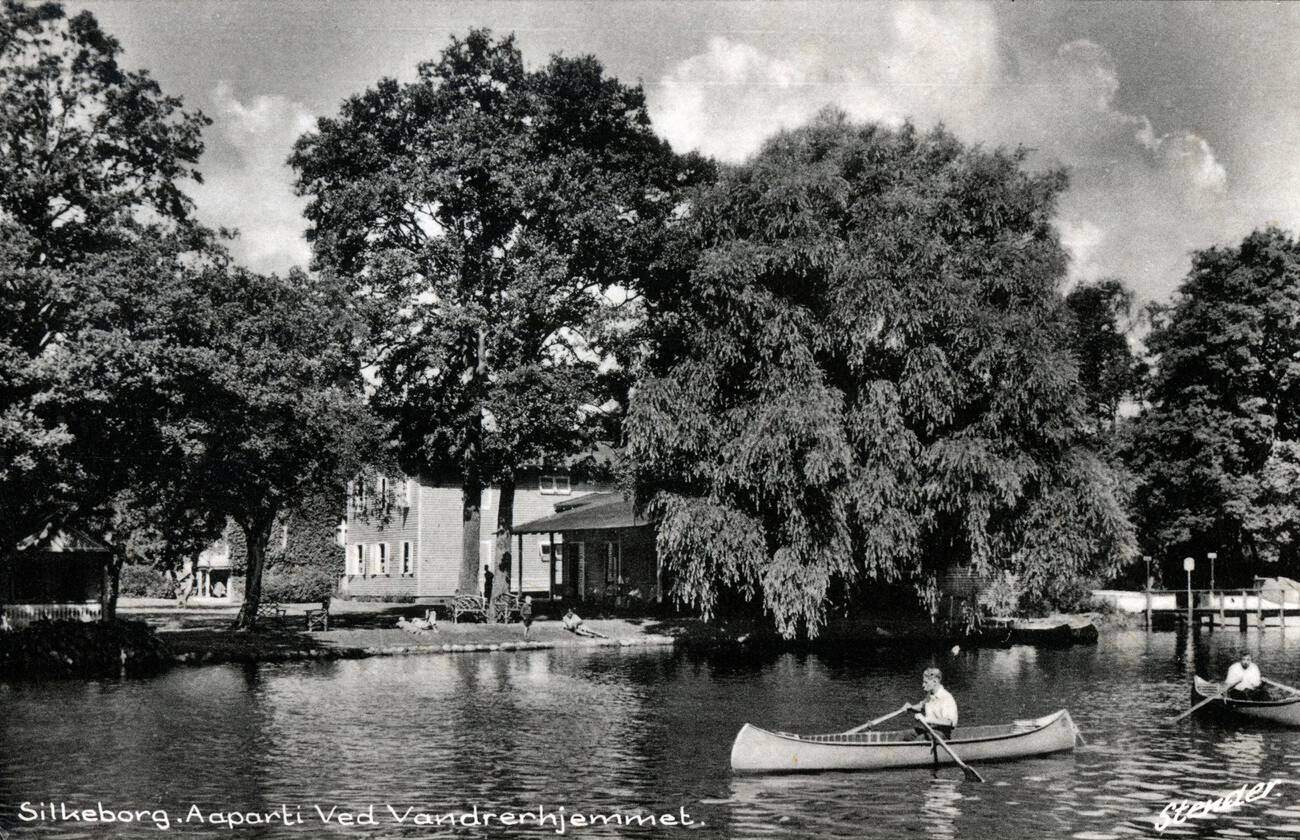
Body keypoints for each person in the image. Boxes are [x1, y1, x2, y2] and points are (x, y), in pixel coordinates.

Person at [906, 667, 959, 740]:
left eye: (926, 682)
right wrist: (910, 708)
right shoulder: (930, 695)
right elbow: (921, 707)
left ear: (935, 681)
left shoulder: (946, 698)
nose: (923, 685)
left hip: (942, 734)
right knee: (907, 735)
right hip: (930, 730)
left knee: (920, 739)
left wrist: (926, 719)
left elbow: (948, 722)